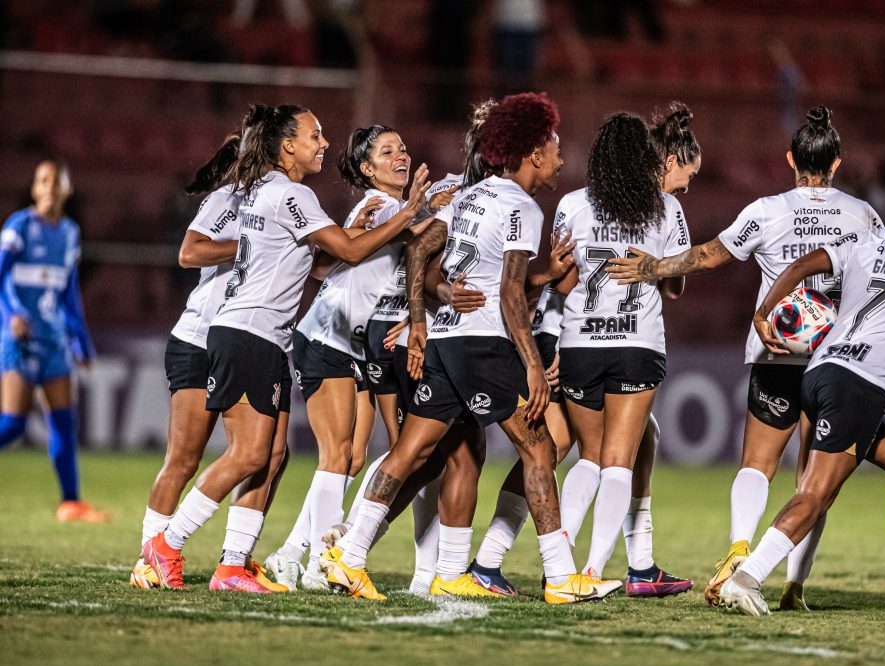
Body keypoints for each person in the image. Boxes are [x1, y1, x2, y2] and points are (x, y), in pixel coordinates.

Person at [322, 92, 621, 604]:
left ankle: (355, 558)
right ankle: (559, 577)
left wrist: (422, 322)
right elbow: (508, 293)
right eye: (552, 145)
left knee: (419, 450)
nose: (561, 156)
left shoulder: (470, 195)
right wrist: (530, 363)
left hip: (444, 338)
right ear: (531, 153)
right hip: (481, 342)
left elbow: (422, 250)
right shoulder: (521, 206)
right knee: (540, 447)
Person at [608, 105, 885, 610]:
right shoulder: (864, 216)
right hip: (836, 358)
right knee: (813, 482)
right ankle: (793, 587)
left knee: (756, 464)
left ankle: (737, 553)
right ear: (838, 163)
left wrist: (653, 267)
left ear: (789, 159)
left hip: (776, 350)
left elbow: (709, 254)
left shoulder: (768, 210)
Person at [141, 103, 425, 592]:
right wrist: (411, 214)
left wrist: (357, 234)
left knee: (270, 456)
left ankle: (232, 566)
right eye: (315, 135)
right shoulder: (287, 194)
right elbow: (349, 253)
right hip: (248, 331)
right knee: (247, 455)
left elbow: (318, 262)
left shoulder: (271, 195)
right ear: (287, 145)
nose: (324, 143)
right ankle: (164, 545)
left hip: (262, 336)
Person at [469, 104, 701, 597]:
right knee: (617, 461)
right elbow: (676, 286)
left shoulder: (574, 204)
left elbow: (565, 281)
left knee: (587, 458)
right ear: (646, 159)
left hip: (580, 345)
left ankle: (562, 560)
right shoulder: (666, 209)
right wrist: (653, 267)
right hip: (637, 343)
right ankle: (591, 571)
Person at [719, 154, 885, 620]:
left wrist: (763, 313)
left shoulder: (866, 243)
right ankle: (745, 579)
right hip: (860, 384)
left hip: (818, 371)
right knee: (815, 495)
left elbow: (800, 266)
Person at [263, 124, 429, 590]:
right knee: (336, 454)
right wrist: (430, 207)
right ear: (366, 168)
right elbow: (364, 248)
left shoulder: (384, 209)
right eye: (387, 151)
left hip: (352, 342)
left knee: (353, 457)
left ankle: (291, 551)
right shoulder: (383, 207)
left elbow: (333, 263)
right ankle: (321, 562)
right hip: (326, 338)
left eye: (403, 147)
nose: (401, 155)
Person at [0, 159, 104, 522]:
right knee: (12, 424)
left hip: (55, 340)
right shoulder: (19, 227)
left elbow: (69, 293)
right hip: (22, 339)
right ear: (33, 188)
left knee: (63, 423)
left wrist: (81, 341)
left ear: (67, 189)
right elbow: (1, 278)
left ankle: (71, 503)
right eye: (43, 180)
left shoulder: (70, 233)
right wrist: (12, 314)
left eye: (56, 181)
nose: (49, 187)